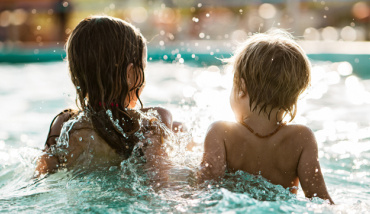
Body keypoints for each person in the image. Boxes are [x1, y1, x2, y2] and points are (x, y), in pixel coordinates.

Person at [197, 29, 334, 204]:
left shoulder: (221, 132)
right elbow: (321, 200)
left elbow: (205, 192)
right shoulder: (302, 138)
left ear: (241, 88)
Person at [35, 16, 174, 181]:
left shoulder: (64, 124)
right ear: (131, 74)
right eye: (143, 68)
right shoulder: (153, 119)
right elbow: (160, 182)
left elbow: (39, 178)